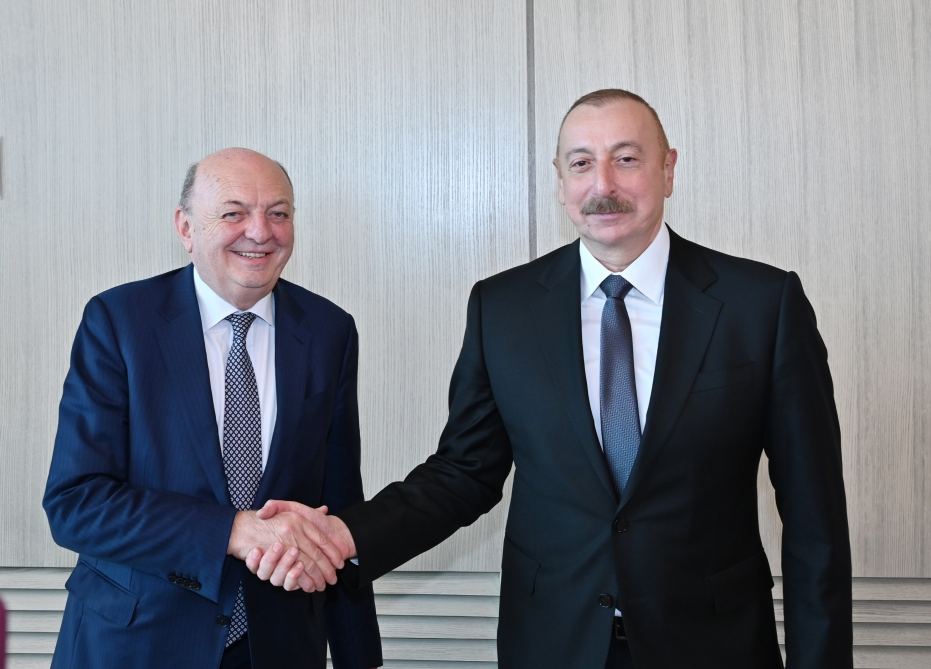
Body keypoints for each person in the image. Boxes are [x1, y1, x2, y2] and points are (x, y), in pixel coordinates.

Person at [252, 90, 853, 668]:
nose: (603, 185)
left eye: (626, 159)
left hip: (714, 645)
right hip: (554, 642)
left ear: (668, 169)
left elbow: (815, 520)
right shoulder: (503, 308)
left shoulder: (762, 306)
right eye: (582, 163)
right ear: (560, 181)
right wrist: (342, 536)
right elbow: (464, 472)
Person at [43, 148, 382, 669]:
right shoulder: (119, 321)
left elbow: (338, 503)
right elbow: (76, 503)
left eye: (278, 213)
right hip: (137, 642)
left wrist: (358, 654)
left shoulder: (328, 330)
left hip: (280, 646)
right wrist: (233, 530)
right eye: (233, 213)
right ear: (186, 228)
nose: (260, 232)